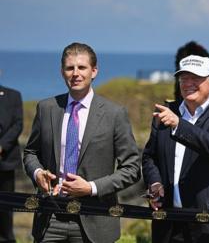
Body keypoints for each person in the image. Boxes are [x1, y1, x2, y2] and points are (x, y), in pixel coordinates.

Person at [23, 42, 141, 243]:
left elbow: (131, 168)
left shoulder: (114, 114)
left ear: (94, 71)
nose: (75, 73)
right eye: (70, 68)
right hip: (50, 218)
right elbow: (30, 153)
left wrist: (91, 187)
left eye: (82, 67)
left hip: (95, 221)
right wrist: (38, 173)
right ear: (62, 72)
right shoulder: (46, 108)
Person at [142, 55, 209, 243]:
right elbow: (150, 157)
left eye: (195, 78)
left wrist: (178, 125)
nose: (188, 83)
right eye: (183, 78)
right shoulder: (167, 112)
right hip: (170, 223)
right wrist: (155, 183)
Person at [0, 79, 23, 243]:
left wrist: (1, 146)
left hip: (6, 160)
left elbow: (18, 124)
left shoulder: (13, 95)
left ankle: (7, 239)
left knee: (6, 205)